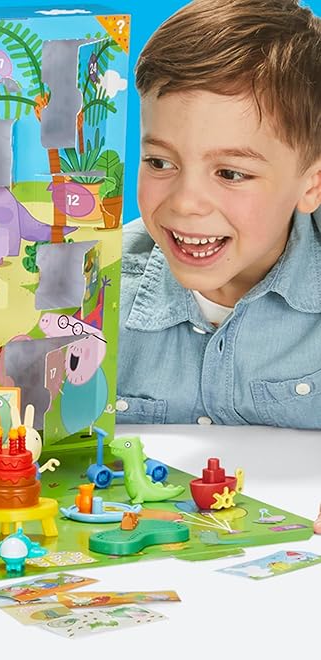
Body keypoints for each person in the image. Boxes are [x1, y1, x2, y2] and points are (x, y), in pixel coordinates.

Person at [116, 0, 321, 428]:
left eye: (230, 173)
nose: (185, 203)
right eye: (159, 162)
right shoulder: (94, 297)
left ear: (312, 185)